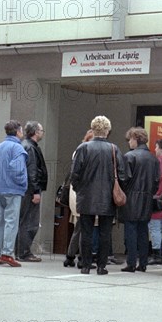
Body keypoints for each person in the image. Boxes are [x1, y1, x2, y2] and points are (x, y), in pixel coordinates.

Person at [70, 115, 126, 275]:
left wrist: (79, 189)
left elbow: (75, 173)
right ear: (107, 131)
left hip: (86, 196)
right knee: (105, 232)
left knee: (86, 231)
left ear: (93, 129)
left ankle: (86, 265)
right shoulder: (114, 149)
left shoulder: (83, 148)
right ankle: (102, 266)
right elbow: (122, 174)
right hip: (107, 197)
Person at [119, 127, 160, 273]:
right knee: (143, 231)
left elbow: (124, 178)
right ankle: (143, 262)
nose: (129, 142)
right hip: (147, 198)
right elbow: (156, 181)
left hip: (131, 198)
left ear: (135, 139)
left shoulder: (129, 156)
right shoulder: (153, 159)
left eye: (130, 139)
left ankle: (131, 262)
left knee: (130, 230)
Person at [0, 120, 28, 267]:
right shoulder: (17, 148)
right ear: (17, 132)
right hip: (13, 189)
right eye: (21, 130)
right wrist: (23, 184)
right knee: (11, 221)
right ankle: (7, 253)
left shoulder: (0, 147)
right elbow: (18, 169)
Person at [15, 121, 48, 262]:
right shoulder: (30, 148)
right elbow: (32, 171)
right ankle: (23, 252)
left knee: (23, 220)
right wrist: (36, 191)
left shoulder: (25, 146)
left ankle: (20, 251)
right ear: (35, 132)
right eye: (41, 130)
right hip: (30, 190)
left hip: (25, 189)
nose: (42, 132)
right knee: (30, 222)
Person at [64, 129, 94, 268]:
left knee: (79, 226)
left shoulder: (78, 152)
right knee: (83, 227)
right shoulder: (85, 152)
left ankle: (71, 256)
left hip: (76, 193)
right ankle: (81, 257)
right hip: (83, 194)